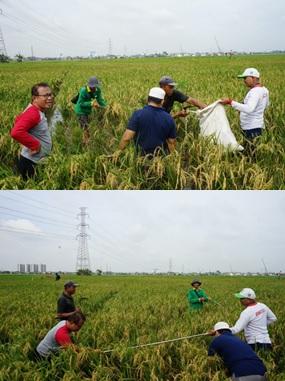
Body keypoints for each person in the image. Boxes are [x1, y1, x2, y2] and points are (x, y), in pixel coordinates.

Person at [10, 82, 54, 180]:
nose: (50, 97)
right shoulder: (33, 113)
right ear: (35, 98)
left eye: (50, 94)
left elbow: (18, 120)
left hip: (34, 161)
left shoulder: (34, 110)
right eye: (45, 95)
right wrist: (35, 145)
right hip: (31, 163)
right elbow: (16, 132)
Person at [119, 87, 176, 155]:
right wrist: (173, 159)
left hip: (139, 157)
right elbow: (171, 142)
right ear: (162, 101)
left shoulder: (138, 114)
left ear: (147, 99)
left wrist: (118, 153)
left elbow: (127, 138)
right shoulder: (169, 118)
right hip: (160, 159)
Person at [220, 68, 269, 141]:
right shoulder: (264, 90)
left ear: (253, 78)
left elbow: (249, 109)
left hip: (251, 128)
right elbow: (266, 105)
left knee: (251, 150)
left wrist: (230, 102)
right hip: (257, 126)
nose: (244, 80)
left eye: (245, 78)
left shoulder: (255, 92)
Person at [74, 76, 107, 142]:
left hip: (88, 111)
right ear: (89, 86)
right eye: (92, 87)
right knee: (85, 128)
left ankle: (87, 140)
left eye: (95, 86)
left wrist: (106, 106)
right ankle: (85, 142)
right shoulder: (83, 91)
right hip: (81, 111)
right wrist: (91, 103)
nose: (94, 88)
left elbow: (100, 100)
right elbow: (81, 103)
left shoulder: (97, 90)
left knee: (87, 126)